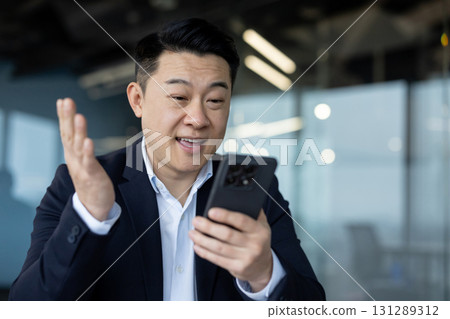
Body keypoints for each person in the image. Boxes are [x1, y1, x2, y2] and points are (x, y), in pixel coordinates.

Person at [9, 18, 325, 301]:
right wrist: (91, 216)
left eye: (215, 100)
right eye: (179, 98)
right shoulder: (79, 184)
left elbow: (311, 305)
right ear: (137, 100)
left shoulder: (250, 183)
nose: (199, 119)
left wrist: (263, 275)